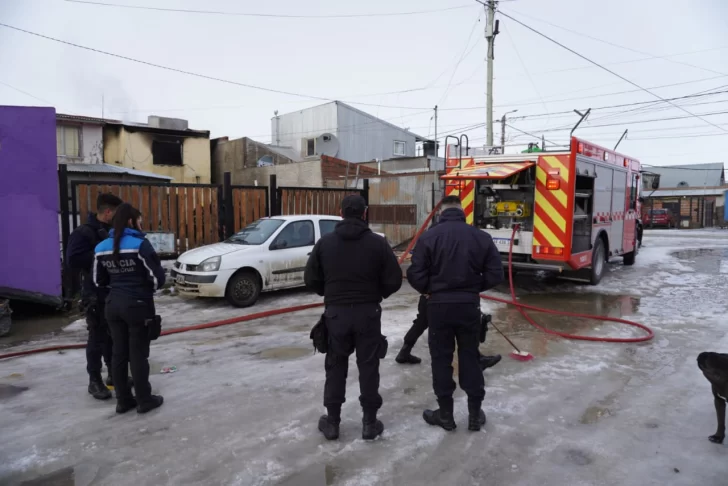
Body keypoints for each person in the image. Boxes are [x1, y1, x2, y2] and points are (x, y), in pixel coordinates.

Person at [304, 195, 402, 441]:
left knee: (336, 367)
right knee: (369, 366)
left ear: (341, 212)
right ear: (364, 213)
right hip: (368, 313)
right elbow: (394, 279)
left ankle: (333, 423)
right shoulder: (378, 244)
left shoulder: (325, 243)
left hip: (336, 314)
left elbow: (311, 278)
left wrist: (331, 294)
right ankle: (369, 423)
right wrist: (376, 294)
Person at [407, 195, 504, 432]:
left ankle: (446, 415)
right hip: (468, 307)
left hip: (438, 308)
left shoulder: (428, 238)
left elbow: (415, 274)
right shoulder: (480, 237)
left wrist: (430, 289)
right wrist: (471, 289)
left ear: (441, 212)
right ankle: (473, 415)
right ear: (462, 212)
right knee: (470, 357)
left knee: (441, 359)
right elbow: (495, 274)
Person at [94, 203, 166, 414]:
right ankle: (144, 400)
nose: (142, 224)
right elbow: (156, 279)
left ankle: (123, 400)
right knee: (138, 355)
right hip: (137, 307)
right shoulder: (139, 244)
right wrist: (141, 292)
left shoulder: (101, 247)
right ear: (130, 221)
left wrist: (118, 288)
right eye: (140, 220)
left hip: (113, 305)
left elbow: (99, 281)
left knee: (118, 354)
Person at [66, 193, 122, 400]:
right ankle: (94, 381)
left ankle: (114, 375)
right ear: (108, 212)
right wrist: (102, 255)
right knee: (97, 338)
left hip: (113, 291)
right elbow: (72, 260)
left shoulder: (112, 231)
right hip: (95, 294)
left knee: (113, 336)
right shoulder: (84, 233)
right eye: (116, 213)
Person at [395, 294, 502, 371]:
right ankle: (476, 359)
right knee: (462, 324)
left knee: (421, 322)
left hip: (434, 296)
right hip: (443, 296)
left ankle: (404, 351)